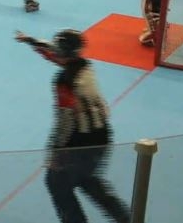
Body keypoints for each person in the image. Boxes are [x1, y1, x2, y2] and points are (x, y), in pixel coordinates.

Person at [15, 29, 131, 223]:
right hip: (101, 136)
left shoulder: (65, 82)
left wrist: (56, 153)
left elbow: (65, 120)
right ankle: (123, 217)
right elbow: (54, 54)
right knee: (87, 178)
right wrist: (31, 41)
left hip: (78, 141)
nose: (54, 53)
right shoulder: (84, 66)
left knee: (57, 183)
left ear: (63, 53)